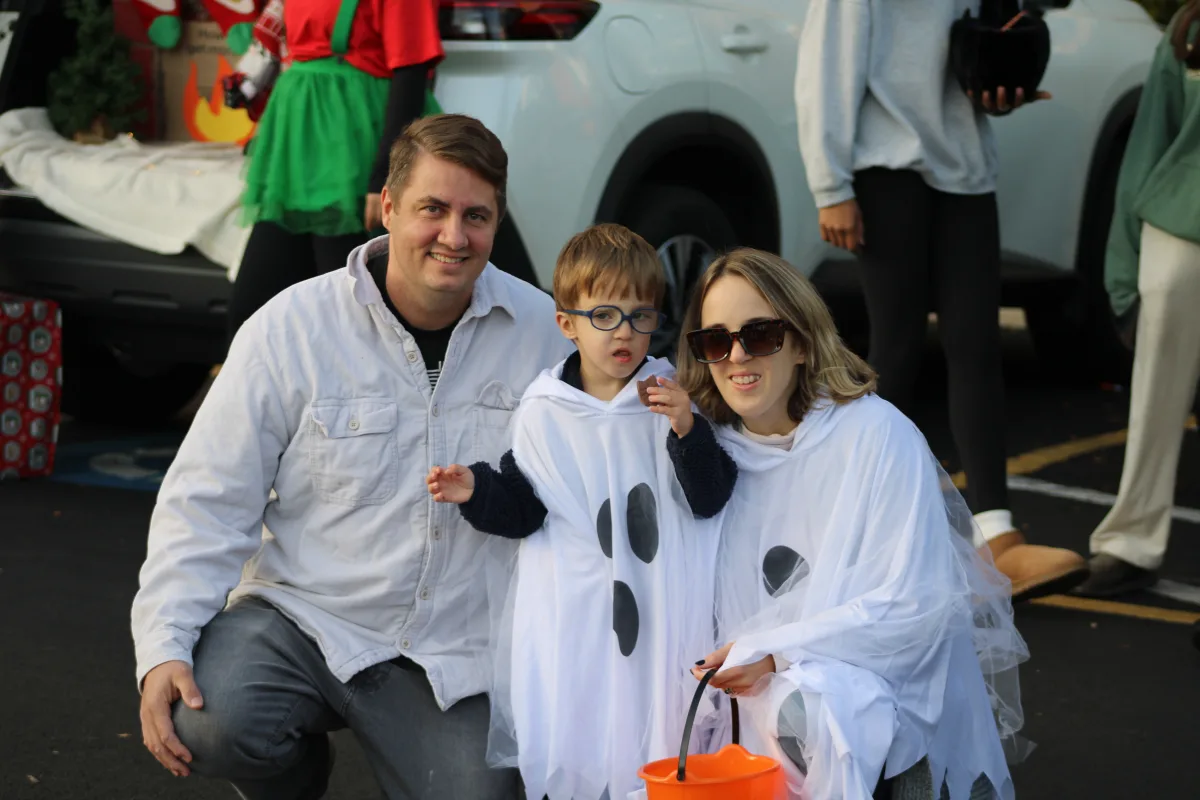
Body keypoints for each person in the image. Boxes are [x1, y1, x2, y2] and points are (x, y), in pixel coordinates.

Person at [130, 114, 574, 799]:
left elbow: (605, 465)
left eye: (476, 216)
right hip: (304, 620)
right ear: (389, 207)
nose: (454, 237)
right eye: (433, 209)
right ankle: (295, 779)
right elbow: (208, 499)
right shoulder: (290, 328)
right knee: (210, 721)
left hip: (452, 653)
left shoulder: (545, 336)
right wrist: (162, 644)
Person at [677, 249, 1029, 800]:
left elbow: (917, 608)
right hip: (750, 739)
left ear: (800, 342)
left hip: (888, 731)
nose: (737, 356)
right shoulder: (709, 456)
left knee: (813, 706)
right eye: (715, 340)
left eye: (760, 334)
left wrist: (776, 653)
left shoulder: (876, 436)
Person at [426, 223, 738, 800]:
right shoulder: (545, 411)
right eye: (604, 316)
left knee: (660, 732)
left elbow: (710, 498)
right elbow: (526, 509)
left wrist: (687, 430)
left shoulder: (667, 395)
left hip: (660, 608)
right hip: (579, 616)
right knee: (588, 728)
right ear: (566, 323)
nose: (624, 332)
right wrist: (477, 491)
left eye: (641, 316)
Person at [794, 0, 1088, 601]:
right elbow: (824, 69)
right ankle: (858, 537)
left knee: (976, 344)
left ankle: (996, 538)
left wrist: (995, 90)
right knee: (896, 350)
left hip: (965, 167)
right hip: (884, 166)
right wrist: (831, 185)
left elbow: (967, 53)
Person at [225, 0, 443, 345]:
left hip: (352, 148)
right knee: (254, 312)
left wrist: (385, 173)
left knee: (348, 314)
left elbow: (411, 70)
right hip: (297, 150)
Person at [1074, 3, 1200, 598]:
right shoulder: (1188, 31)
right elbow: (1146, 151)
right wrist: (1125, 274)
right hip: (1181, 228)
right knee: (1155, 397)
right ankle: (1131, 541)